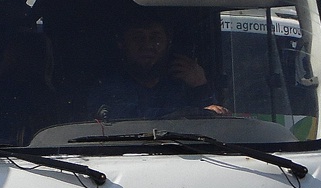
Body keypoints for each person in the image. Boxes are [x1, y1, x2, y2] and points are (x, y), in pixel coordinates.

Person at [86, 12, 226, 121]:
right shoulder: (108, 88)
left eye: (156, 38)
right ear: (122, 44)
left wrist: (200, 85)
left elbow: (215, 123)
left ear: (168, 42)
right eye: (138, 37)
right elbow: (135, 122)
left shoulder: (181, 85)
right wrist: (192, 114)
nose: (147, 45)